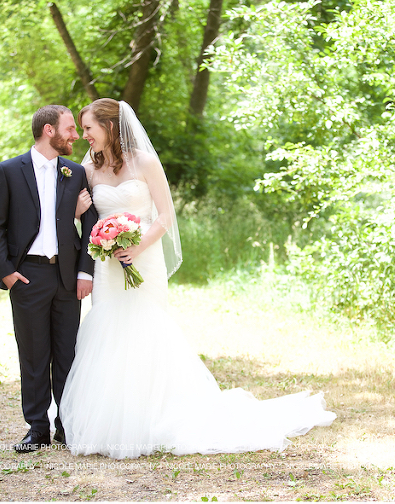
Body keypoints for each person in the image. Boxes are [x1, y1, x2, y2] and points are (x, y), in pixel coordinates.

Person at [58, 99, 335, 459]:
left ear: (109, 127)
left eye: (90, 129)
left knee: (146, 330)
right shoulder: (89, 167)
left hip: (145, 256)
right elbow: (85, 214)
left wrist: (138, 245)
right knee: (108, 332)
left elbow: (165, 215)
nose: (85, 136)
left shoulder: (144, 161)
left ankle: (155, 415)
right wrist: (85, 216)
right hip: (108, 265)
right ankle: (115, 418)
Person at [0, 105, 98, 453]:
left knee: (67, 352)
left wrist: (84, 271)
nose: (75, 136)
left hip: (67, 276)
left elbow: (89, 223)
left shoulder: (75, 171)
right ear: (49, 130)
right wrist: (7, 273)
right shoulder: (8, 171)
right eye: (69, 129)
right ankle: (37, 428)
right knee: (34, 354)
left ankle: (67, 425)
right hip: (28, 276)